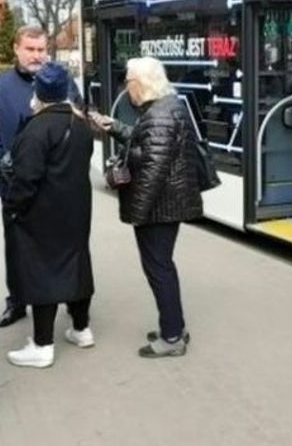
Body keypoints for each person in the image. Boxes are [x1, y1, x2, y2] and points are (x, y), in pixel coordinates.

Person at [95, 56, 203, 358]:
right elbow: (145, 144)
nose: (126, 86)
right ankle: (174, 326)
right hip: (166, 205)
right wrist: (114, 126)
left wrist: (136, 216)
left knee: (158, 268)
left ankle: (171, 338)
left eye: (128, 81)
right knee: (162, 266)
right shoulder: (165, 108)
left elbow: (152, 172)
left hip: (159, 209)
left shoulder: (159, 115)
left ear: (140, 84)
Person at [0, 26, 80, 329]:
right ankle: (18, 300)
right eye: (30, 49)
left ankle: (74, 302)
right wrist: (1, 163)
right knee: (18, 248)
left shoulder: (64, 82)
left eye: (41, 49)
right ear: (16, 49)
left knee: (65, 246)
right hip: (14, 185)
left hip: (58, 185)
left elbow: (79, 121)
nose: (37, 56)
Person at [3, 62, 96, 369]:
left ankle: (42, 345)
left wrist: (13, 207)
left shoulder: (37, 128)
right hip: (77, 210)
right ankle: (81, 329)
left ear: (39, 93)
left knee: (43, 274)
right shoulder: (79, 123)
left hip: (43, 215)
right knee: (77, 264)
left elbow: (26, 178)